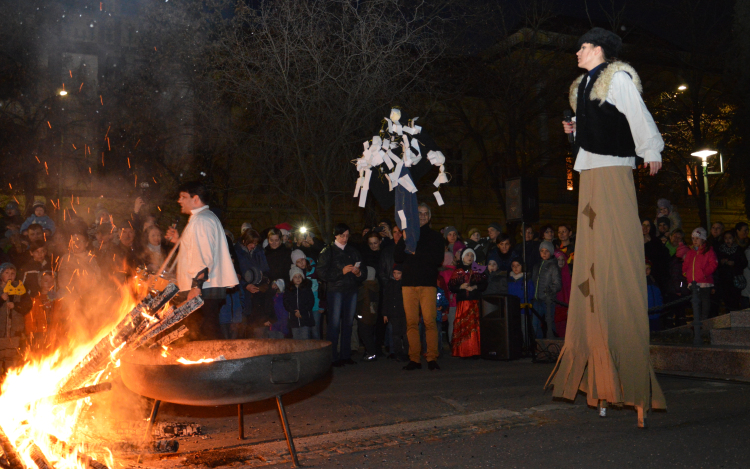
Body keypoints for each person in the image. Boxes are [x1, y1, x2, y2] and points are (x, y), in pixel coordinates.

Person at [549, 27, 666, 424]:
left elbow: (636, 115)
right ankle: (601, 378)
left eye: (582, 47)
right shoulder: (582, 86)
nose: (576, 52)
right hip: (591, 175)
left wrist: (651, 149)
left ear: (599, 49)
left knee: (614, 262)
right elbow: (599, 131)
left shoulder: (616, 77)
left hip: (614, 172)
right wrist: (575, 132)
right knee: (591, 270)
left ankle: (626, 375)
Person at [165, 181, 238, 341]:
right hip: (206, 287)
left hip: (203, 288)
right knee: (205, 332)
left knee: (205, 335)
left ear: (196, 199)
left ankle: (217, 364)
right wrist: (178, 241)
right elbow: (196, 251)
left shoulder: (201, 221)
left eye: (183, 197)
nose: (179, 201)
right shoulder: (203, 218)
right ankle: (215, 363)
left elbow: (203, 257)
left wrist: (196, 287)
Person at [394, 203, 445, 371]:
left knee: (430, 321)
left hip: (428, 284)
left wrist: (416, 252)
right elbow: (398, 256)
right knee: (411, 323)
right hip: (408, 284)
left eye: (425, 213)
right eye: (419, 213)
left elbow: (437, 259)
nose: (422, 216)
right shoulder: (408, 233)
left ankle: (432, 357)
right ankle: (414, 359)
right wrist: (405, 239)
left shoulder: (435, 236)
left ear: (429, 217)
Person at [316, 223, 364, 366]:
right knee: (334, 324)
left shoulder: (353, 251)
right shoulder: (327, 251)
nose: (345, 238)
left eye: (347, 236)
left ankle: (345, 355)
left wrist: (358, 272)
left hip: (351, 290)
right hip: (335, 291)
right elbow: (321, 272)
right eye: (342, 235)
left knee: (348, 324)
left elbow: (363, 271)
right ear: (336, 235)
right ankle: (332, 357)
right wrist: (340, 272)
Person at [449, 248, 487, 358]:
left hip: (474, 303)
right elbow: (451, 286)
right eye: (467, 255)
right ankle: (463, 350)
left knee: (474, 327)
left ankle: (475, 350)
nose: (469, 257)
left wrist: (475, 287)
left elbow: (484, 284)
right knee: (464, 327)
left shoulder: (478, 270)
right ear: (462, 257)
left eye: (471, 255)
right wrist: (460, 286)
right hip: (462, 304)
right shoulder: (457, 271)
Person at [681, 228, 718, 324]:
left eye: (697, 238)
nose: (695, 241)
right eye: (693, 238)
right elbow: (685, 264)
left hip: (704, 281)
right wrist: (685, 273)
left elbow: (713, 264)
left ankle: (704, 318)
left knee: (705, 300)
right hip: (693, 282)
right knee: (695, 301)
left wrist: (704, 273)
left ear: (703, 239)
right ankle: (697, 318)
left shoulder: (708, 251)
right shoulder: (690, 252)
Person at [714, 230, 748, 313]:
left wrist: (734, 263)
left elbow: (744, 263)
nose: (727, 240)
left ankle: (735, 320)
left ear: (734, 239)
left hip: (735, 279)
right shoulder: (720, 249)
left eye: (730, 238)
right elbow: (716, 263)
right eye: (726, 238)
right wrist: (721, 262)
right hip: (724, 280)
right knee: (726, 301)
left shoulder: (738, 249)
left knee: (735, 301)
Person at [532, 241, 561, 339]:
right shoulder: (536, 266)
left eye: (546, 251)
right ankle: (540, 346)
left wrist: (549, 291)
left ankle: (553, 345)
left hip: (548, 301)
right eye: (542, 251)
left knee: (549, 325)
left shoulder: (553, 266)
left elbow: (557, 284)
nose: (544, 253)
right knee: (535, 324)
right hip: (537, 300)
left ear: (551, 252)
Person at [382, 264, 408, 361]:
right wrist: (385, 313)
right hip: (393, 313)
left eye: (398, 273)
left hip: (404, 312)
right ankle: (398, 353)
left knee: (406, 334)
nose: (396, 275)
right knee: (395, 334)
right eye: (394, 273)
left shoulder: (405, 284)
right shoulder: (390, 284)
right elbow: (386, 299)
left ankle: (407, 352)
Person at [0, 263, 32, 338]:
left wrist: (16, 306)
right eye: (6, 272)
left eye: (12, 273)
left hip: (16, 330)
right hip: (1, 330)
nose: (10, 275)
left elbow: (28, 305)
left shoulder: (20, 288)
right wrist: (1, 299)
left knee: (15, 348)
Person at [284, 266, 316, 339]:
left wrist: (301, 311)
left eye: (299, 276)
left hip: (305, 318)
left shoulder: (307, 289)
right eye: (295, 277)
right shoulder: (289, 290)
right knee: (296, 340)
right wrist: (294, 311)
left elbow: (310, 302)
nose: (298, 279)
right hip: (293, 320)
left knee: (305, 338)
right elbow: (286, 302)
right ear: (292, 278)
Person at [356, 266, 380, 360]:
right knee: (369, 334)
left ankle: (371, 354)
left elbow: (360, 301)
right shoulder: (374, 285)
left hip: (364, 314)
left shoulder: (365, 286)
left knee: (364, 334)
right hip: (371, 315)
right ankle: (370, 352)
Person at [554, 250, 572, 338]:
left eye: (562, 260)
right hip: (556, 305)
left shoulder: (567, 274)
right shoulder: (552, 274)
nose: (561, 262)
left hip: (566, 306)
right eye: (558, 260)